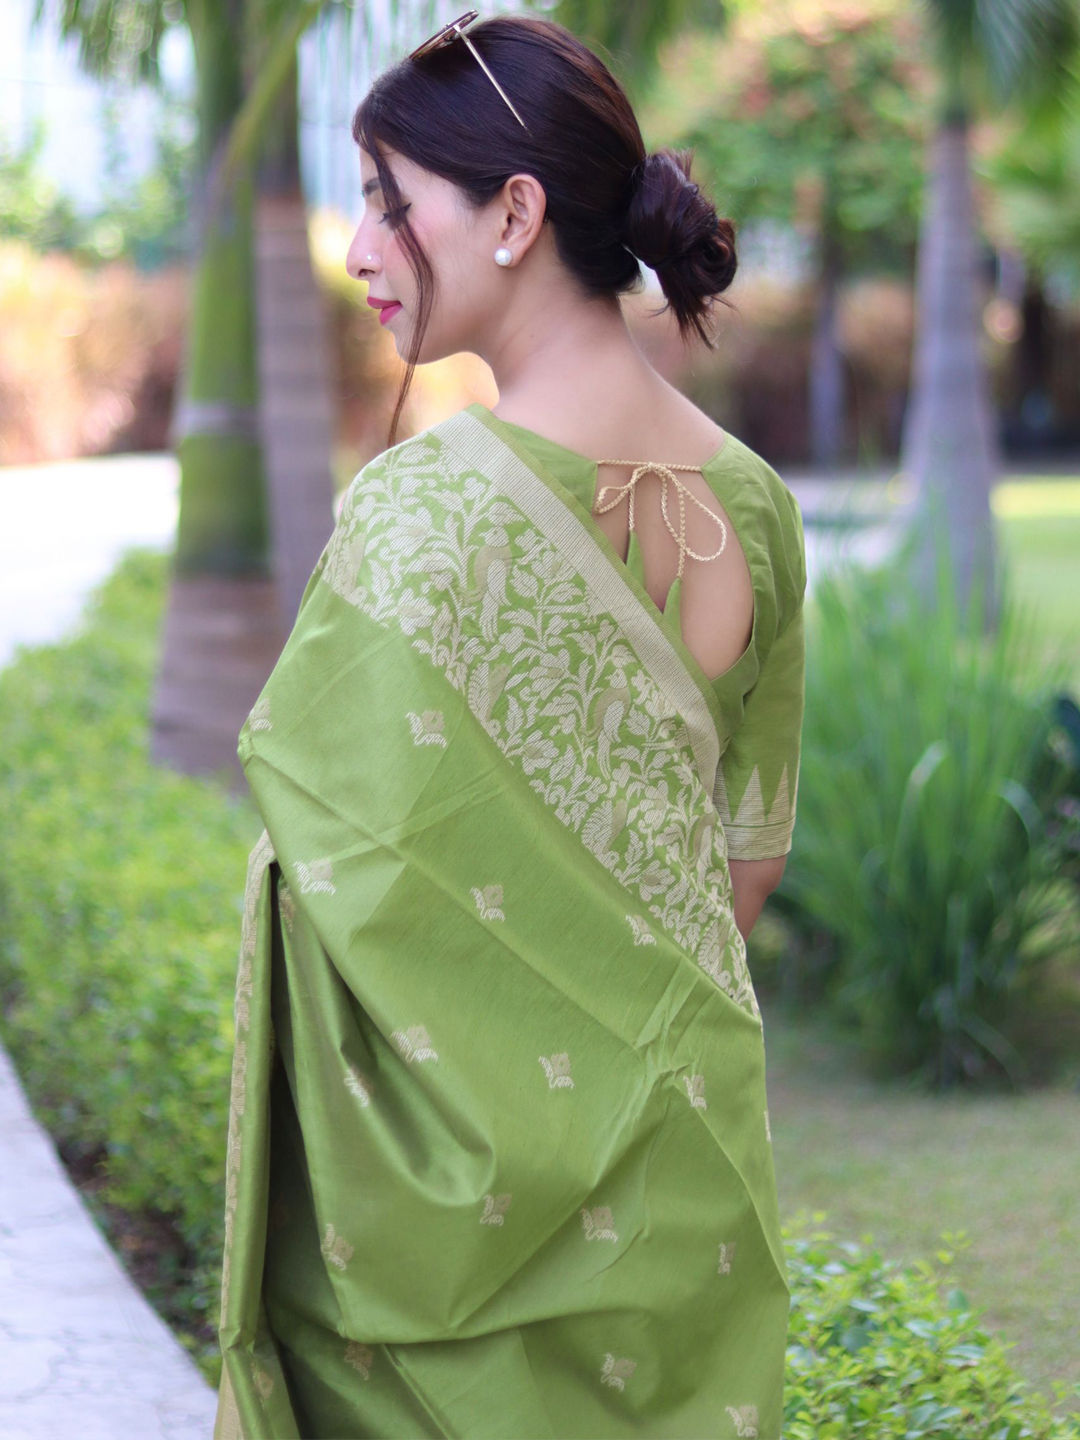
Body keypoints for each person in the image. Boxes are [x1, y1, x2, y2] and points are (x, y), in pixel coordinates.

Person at [214, 12, 806, 1439]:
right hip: (681, 1187)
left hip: (443, 1253)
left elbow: (335, 874)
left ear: (515, 215)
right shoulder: (756, 508)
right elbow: (747, 865)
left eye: (389, 201)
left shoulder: (419, 513)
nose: (362, 250)